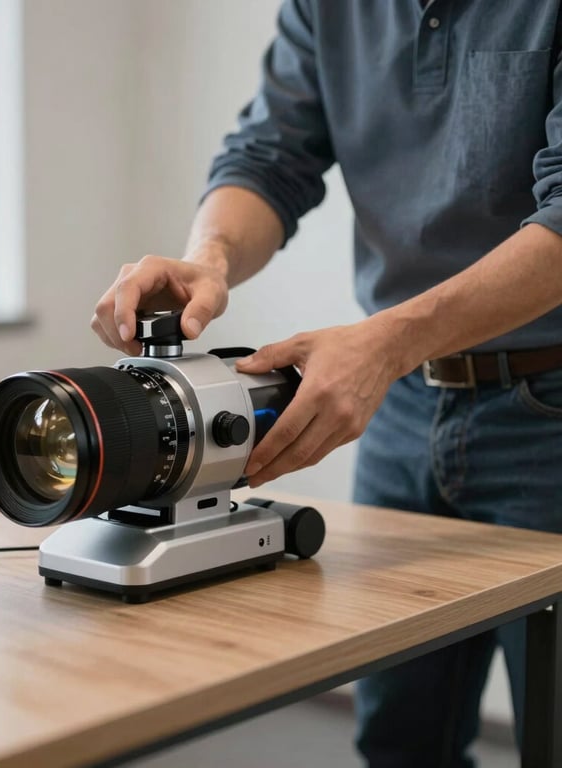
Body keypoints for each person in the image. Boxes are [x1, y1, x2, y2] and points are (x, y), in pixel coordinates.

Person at [92, 2, 562, 766]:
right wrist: (207, 259)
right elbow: (269, 156)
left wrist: (385, 345)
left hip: (547, 409)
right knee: (400, 738)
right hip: (407, 407)